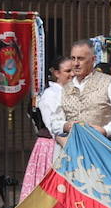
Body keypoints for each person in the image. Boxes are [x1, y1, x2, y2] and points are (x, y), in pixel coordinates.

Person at [50, 40, 111, 143]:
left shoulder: (110, 83)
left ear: (93, 60)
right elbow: (54, 121)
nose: (76, 63)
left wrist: (105, 130)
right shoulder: (64, 88)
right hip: (73, 149)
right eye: (73, 58)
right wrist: (65, 126)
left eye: (81, 59)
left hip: (102, 147)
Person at [21, 56, 74, 199]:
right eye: (67, 71)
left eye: (73, 70)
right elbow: (53, 125)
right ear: (57, 73)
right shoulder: (51, 95)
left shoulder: (74, 91)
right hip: (54, 144)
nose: (72, 74)